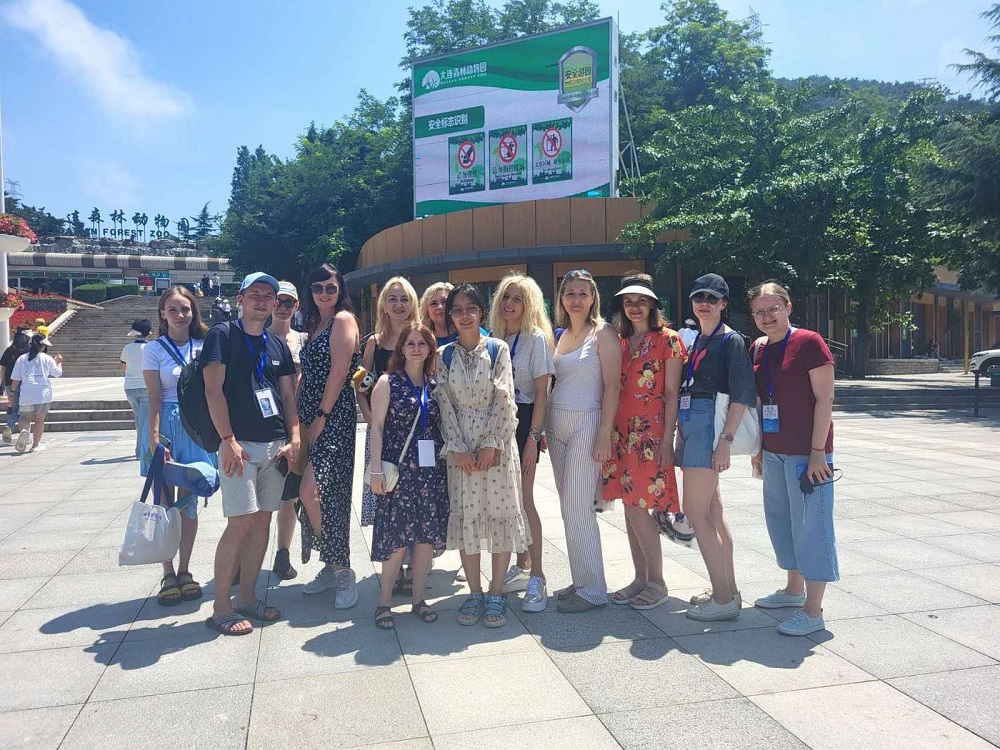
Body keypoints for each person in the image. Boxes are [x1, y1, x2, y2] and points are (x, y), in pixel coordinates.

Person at [203, 272, 299, 635]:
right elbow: (213, 390)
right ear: (240, 299)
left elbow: (287, 395)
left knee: (262, 521)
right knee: (240, 521)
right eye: (254, 294)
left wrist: (294, 437)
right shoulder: (223, 335)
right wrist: (226, 439)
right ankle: (221, 607)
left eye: (268, 296)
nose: (262, 301)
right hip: (238, 446)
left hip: (274, 446)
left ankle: (246, 597)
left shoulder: (277, 345)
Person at [748, 281, 839, 636]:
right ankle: (792, 590)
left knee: (812, 526)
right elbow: (761, 403)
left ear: (788, 307)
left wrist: (818, 453)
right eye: (759, 311)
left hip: (807, 453)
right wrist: (759, 449)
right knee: (782, 522)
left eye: (774, 309)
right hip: (774, 451)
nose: (767, 316)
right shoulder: (758, 348)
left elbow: (825, 399)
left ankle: (813, 611)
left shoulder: (809, 342)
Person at [436, 284, 528, 627]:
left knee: (500, 515)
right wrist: (458, 447)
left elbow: (505, 398)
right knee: (467, 516)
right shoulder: (443, 355)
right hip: (460, 445)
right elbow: (444, 403)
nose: (464, 315)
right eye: (457, 310)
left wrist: (492, 443)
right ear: (450, 316)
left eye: (470, 308)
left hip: (497, 444)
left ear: (481, 312)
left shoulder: (497, 348)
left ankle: (496, 592)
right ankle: (474, 592)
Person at [602, 273, 686, 610]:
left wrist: (668, 440)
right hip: (620, 434)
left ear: (652, 304)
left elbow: (672, 393)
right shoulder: (620, 342)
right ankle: (641, 578)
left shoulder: (668, 340)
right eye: (628, 301)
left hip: (650, 435)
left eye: (641, 300)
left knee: (639, 510)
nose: (634, 307)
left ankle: (657, 581)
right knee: (629, 508)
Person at [678, 273, 757, 622]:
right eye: (699, 298)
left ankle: (723, 599)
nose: (704, 304)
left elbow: (741, 395)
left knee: (695, 513)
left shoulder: (731, 340)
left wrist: (725, 442)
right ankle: (729, 590)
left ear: (724, 303)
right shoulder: (698, 339)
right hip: (695, 424)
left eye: (712, 298)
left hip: (709, 428)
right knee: (712, 511)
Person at [368, 322, 450, 628]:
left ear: (430, 349)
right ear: (401, 349)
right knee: (398, 539)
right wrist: (376, 469)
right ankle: (384, 603)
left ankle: (418, 599)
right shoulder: (387, 382)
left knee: (426, 537)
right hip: (400, 472)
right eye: (411, 343)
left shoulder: (435, 384)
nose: (416, 348)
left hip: (431, 473)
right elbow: (376, 428)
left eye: (422, 343)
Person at [547, 269, 620, 613]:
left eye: (582, 293)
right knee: (568, 506)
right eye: (570, 293)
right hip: (556, 424)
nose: (576, 299)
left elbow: (613, 386)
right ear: (561, 298)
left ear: (593, 298)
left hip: (587, 422)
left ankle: (593, 591)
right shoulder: (559, 335)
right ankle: (581, 578)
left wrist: (604, 434)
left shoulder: (603, 333)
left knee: (578, 507)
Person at [141, 285, 215, 606]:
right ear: (163, 314)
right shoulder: (153, 349)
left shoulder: (204, 345)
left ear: (193, 312)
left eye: (185, 309)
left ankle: (185, 570)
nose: (180, 315)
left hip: (193, 426)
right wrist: (155, 438)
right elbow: (154, 398)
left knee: (189, 502)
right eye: (173, 309)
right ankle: (167, 571)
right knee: (163, 502)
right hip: (166, 426)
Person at [488, 273, 555, 612]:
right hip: (497, 422)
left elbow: (543, 393)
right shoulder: (493, 338)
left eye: (517, 299)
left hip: (525, 419)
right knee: (505, 500)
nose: (509, 304)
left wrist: (533, 437)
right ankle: (522, 563)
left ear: (529, 305)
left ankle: (538, 577)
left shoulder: (536, 339)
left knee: (524, 499)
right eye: (505, 297)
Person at [297, 263, 362, 608]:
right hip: (311, 418)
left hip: (332, 418)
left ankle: (342, 570)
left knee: (316, 491)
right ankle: (331, 562)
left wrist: (321, 417)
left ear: (340, 291)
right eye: (318, 287)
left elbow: (339, 372)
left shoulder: (342, 320)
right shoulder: (316, 324)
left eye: (331, 287)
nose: (324, 293)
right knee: (314, 495)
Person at [359, 278, 420, 534]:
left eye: (404, 299)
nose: (399, 304)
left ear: (413, 304)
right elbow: (360, 382)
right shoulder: (374, 342)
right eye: (392, 299)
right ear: (383, 305)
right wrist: (369, 416)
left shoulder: (420, 337)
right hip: (381, 430)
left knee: (416, 492)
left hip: (415, 427)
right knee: (384, 488)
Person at [267, 280, 309, 581]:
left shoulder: (304, 340)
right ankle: (243, 555)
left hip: (299, 424)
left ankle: (283, 552)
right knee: (259, 494)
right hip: (265, 423)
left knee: (290, 494)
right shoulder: (258, 338)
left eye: (289, 303)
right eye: (278, 301)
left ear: (296, 306)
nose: (282, 307)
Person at [9, 334, 63, 453]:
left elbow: (15, 378)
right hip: (42, 394)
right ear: (43, 346)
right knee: (39, 420)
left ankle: (24, 431)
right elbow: (57, 373)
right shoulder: (47, 358)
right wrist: (59, 362)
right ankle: (35, 445)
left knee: (24, 418)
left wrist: (12, 392)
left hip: (26, 393)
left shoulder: (22, 358)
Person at [120, 319, 152, 460]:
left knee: (139, 418)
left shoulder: (127, 348)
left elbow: (122, 365)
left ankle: (141, 449)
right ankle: (141, 450)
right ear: (149, 333)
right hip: (146, 386)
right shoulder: (151, 348)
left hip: (130, 387)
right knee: (143, 420)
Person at [1, 327, 30, 444]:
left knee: (12, 406)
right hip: (25, 382)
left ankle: (10, 426)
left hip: (9, 382)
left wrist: (1, 383)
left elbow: (3, 368)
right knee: (24, 408)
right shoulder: (29, 350)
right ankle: (17, 428)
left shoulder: (10, 350)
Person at [419, 281, 455, 346]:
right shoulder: (421, 341)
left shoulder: (469, 334)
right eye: (434, 303)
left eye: (444, 302)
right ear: (426, 310)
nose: (440, 307)